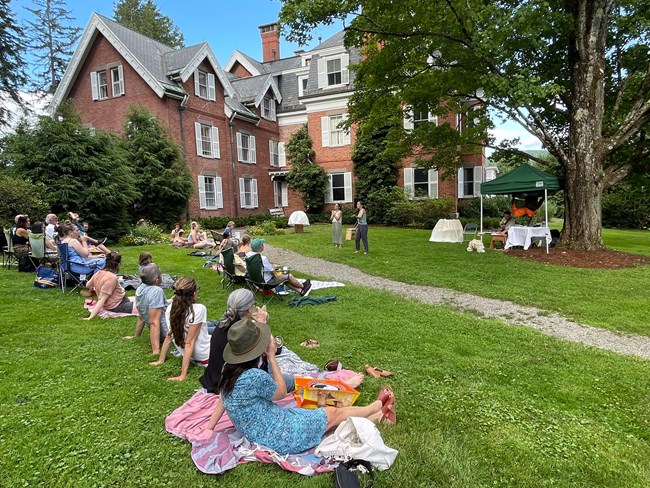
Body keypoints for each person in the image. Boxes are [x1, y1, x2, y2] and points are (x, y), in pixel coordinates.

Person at [204, 318, 396, 455]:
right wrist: (271, 355)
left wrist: (210, 427)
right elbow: (280, 393)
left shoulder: (228, 369)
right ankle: (376, 406)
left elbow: (223, 396)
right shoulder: (253, 376)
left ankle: (376, 417)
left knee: (324, 415)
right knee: (331, 413)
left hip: (261, 427)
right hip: (277, 435)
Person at [199, 289, 274, 393]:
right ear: (249, 310)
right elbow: (270, 349)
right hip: (231, 383)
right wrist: (263, 324)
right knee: (290, 381)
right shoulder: (244, 333)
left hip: (214, 378)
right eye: (253, 304)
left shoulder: (223, 324)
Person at [149, 277, 217, 381]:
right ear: (194, 293)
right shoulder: (199, 309)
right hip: (205, 355)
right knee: (226, 331)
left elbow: (169, 335)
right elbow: (189, 343)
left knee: (214, 325)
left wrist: (161, 360)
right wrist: (182, 375)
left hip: (196, 351)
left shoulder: (171, 308)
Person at [127, 265, 169, 354]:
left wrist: (136, 335)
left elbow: (141, 315)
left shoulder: (140, 289)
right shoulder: (156, 291)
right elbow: (154, 322)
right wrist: (156, 350)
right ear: (157, 280)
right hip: (167, 334)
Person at [246, 238, 311, 296]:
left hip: (255, 281)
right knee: (288, 276)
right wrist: (276, 269)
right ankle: (303, 286)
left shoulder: (249, 256)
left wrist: (272, 266)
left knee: (284, 279)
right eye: (262, 244)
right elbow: (272, 271)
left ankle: (301, 291)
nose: (263, 246)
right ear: (260, 247)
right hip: (267, 282)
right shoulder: (262, 258)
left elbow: (261, 267)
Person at [84, 251, 133, 319]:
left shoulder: (98, 273)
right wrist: (91, 317)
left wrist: (97, 285)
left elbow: (87, 285)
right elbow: (101, 299)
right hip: (118, 305)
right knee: (145, 305)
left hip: (116, 302)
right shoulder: (112, 278)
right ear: (117, 264)